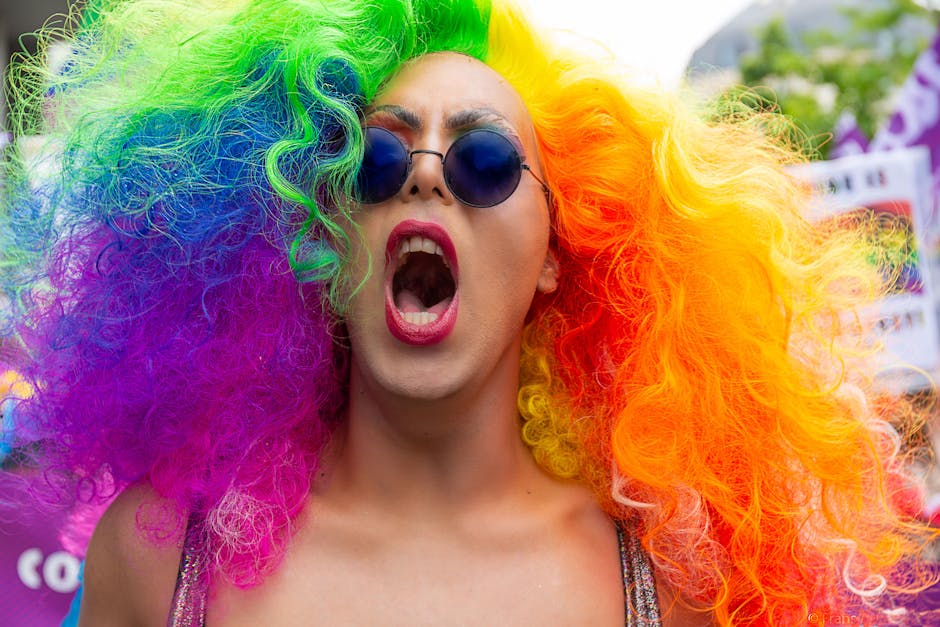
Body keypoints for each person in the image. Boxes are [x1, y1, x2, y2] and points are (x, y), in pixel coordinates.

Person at [1, 0, 935, 624]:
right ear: (325, 235)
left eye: (485, 163)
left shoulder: (673, 588)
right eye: (377, 157)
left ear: (556, 260)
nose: (424, 173)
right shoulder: (157, 556)